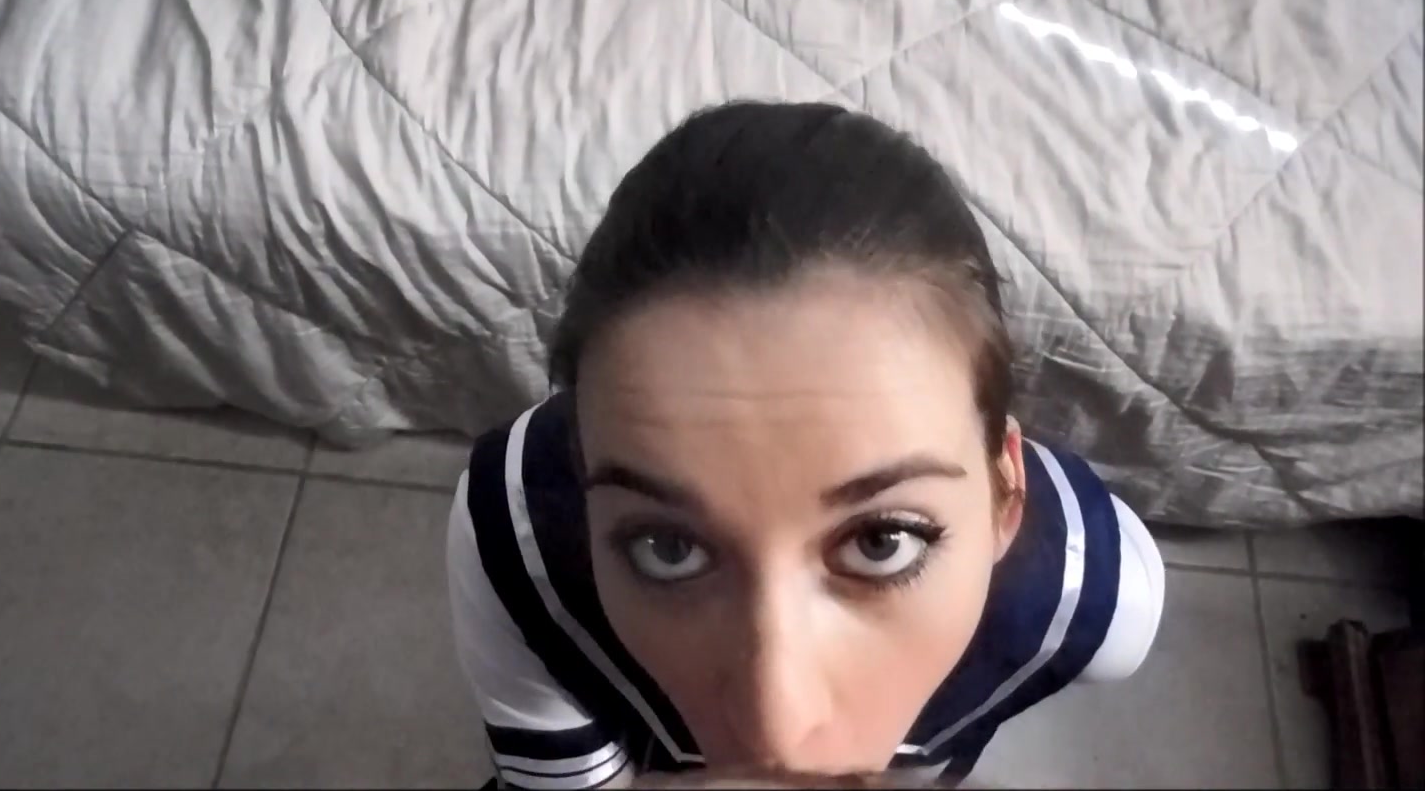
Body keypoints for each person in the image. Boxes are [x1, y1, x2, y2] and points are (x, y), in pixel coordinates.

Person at [446, 101, 1166, 790]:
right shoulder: (516, 537)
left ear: (1006, 493)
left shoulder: (1101, 600)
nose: (777, 737)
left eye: (882, 541)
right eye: (667, 547)